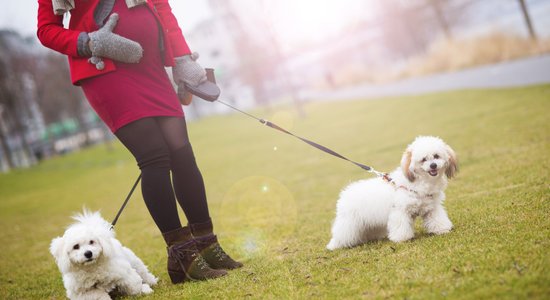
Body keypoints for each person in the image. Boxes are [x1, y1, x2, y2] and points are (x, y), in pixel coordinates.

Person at [37, 0, 242, 284]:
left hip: (149, 65)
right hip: (104, 68)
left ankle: (207, 245)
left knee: (183, 155)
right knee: (155, 157)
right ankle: (183, 256)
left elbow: (161, 6)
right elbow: (46, 30)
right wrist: (89, 42)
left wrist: (182, 58)